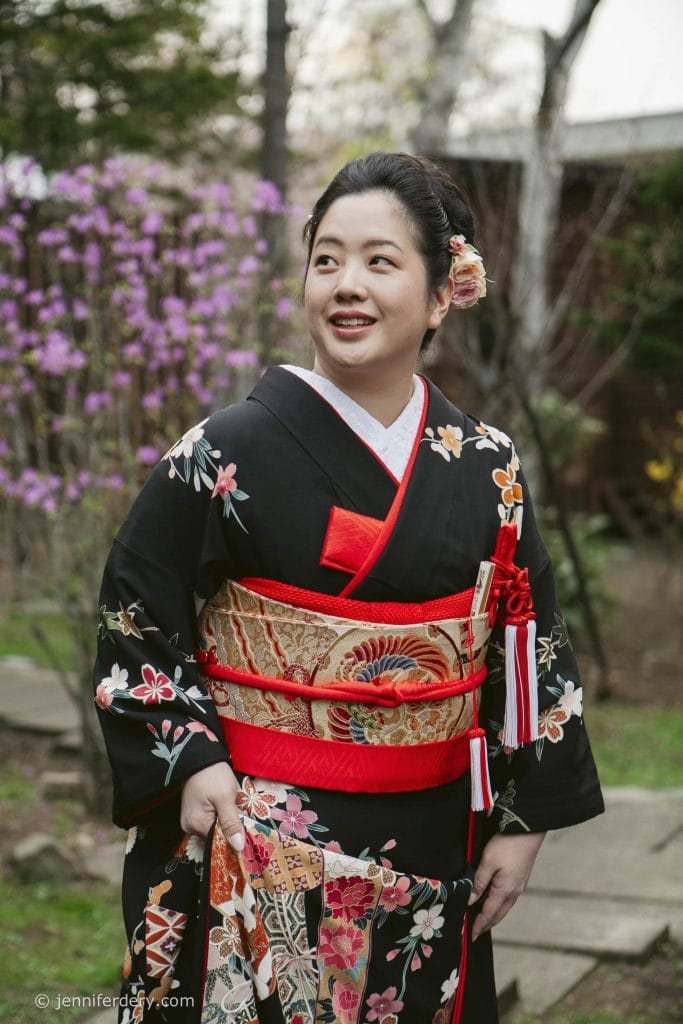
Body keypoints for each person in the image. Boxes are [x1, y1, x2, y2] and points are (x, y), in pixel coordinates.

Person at [94, 151, 603, 1024]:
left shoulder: (485, 465)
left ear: (442, 293)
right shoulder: (224, 449)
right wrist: (191, 756)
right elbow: (134, 609)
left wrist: (526, 821)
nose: (345, 285)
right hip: (253, 828)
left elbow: (529, 643)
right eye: (325, 260)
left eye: (379, 261)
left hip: (433, 837)